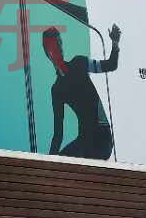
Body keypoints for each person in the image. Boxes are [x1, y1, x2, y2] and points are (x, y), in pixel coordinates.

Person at [42, 24, 120, 159]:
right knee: (61, 159)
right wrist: (48, 163)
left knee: (67, 159)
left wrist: (115, 43)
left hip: (102, 138)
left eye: (60, 43)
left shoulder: (79, 62)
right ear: (48, 53)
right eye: (54, 45)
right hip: (84, 140)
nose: (59, 47)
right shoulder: (57, 90)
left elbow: (111, 65)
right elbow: (58, 134)